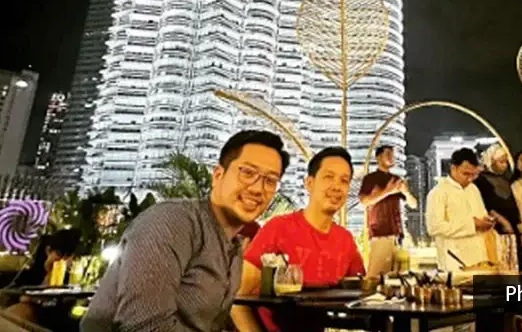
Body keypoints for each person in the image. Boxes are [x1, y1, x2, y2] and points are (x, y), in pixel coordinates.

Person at [82, 130, 288, 332]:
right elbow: (144, 324)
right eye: (248, 173)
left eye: (270, 180)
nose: (257, 189)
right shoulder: (173, 221)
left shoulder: (233, 247)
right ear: (218, 175)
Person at [234, 147, 364, 332]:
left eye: (344, 180)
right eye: (328, 177)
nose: (337, 186)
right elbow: (237, 299)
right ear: (309, 183)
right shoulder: (278, 229)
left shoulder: (345, 240)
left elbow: (365, 291)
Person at [425, 147, 494, 271]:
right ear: (453, 168)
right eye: (466, 174)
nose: (469, 179)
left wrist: (486, 221)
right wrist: (472, 225)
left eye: (473, 175)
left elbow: (481, 215)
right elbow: (434, 227)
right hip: (454, 260)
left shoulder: (473, 189)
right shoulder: (439, 192)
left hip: (479, 257)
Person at [358, 145, 417, 276]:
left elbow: (413, 204)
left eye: (393, 155)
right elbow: (365, 201)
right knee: (377, 276)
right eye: (388, 154)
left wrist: (406, 192)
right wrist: (387, 191)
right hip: (380, 234)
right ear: (378, 157)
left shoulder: (396, 179)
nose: (392, 157)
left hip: (397, 236)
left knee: (399, 278)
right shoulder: (371, 179)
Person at [474, 143, 522, 270]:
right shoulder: (481, 181)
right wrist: (504, 223)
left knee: (515, 263)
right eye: (501, 161)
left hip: (512, 227)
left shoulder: (505, 180)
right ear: (491, 161)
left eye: (506, 162)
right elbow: (487, 206)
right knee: (502, 262)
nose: (504, 165)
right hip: (497, 228)